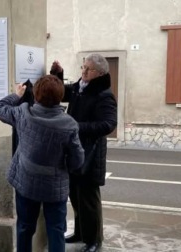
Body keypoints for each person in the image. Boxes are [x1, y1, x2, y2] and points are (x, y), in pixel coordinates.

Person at [0, 75, 85, 252]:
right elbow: (77, 160)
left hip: (26, 182)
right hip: (55, 187)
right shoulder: (69, 124)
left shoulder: (23, 113)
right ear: (60, 97)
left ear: (35, 95)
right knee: (56, 230)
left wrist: (16, 95)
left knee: (25, 228)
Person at [50, 53, 118, 252]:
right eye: (83, 67)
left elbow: (108, 125)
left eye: (88, 69)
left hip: (91, 153)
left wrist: (76, 126)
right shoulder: (81, 88)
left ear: (99, 73)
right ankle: (80, 232)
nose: (84, 71)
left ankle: (94, 240)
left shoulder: (103, 95)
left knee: (89, 200)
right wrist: (58, 74)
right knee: (75, 195)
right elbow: (62, 93)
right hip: (75, 151)